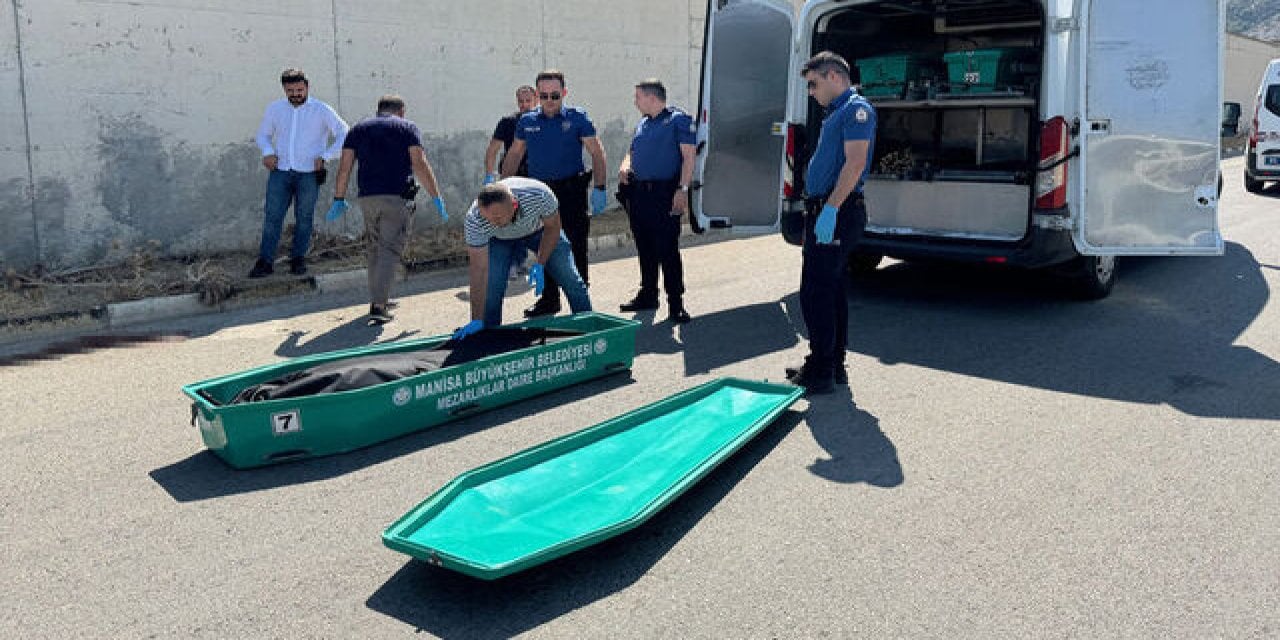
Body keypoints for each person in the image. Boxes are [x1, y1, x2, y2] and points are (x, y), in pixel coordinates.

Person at [787, 51, 876, 395]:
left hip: (837, 212)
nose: (811, 91)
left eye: (814, 83)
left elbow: (854, 164)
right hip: (829, 210)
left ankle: (822, 369)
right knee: (832, 290)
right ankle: (832, 363)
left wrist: (832, 209)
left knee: (816, 292)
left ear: (834, 77)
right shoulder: (837, 112)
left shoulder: (856, 110)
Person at [328, 94, 447, 324]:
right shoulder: (407, 127)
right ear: (401, 111)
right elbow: (419, 163)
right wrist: (436, 196)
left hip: (368, 198)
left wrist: (338, 197)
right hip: (396, 197)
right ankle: (379, 306)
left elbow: (344, 167)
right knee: (389, 250)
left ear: (379, 109)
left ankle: (379, 296)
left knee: (375, 248)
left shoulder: (358, 129)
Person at [500, 69, 609, 318]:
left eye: (555, 95)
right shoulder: (527, 122)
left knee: (575, 246)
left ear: (564, 93)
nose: (550, 100)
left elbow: (597, 152)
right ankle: (549, 300)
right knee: (544, 245)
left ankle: (580, 302)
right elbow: (515, 155)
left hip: (572, 190)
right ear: (538, 95)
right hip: (540, 193)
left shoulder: (578, 118)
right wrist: (504, 188)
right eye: (545, 95)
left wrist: (600, 188)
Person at [452, 178, 593, 339]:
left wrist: (540, 263)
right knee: (492, 288)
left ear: (514, 205)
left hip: (540, 231)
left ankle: (589, 328)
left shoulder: (539, 195)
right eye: (487, 219)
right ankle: (488, 338)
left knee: (570, 278)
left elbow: (553, 228)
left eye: (497, 217)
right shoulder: (475, 218)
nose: (492, 222)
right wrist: (476, 319)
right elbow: (478, 270)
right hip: (499, 240)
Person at [251, 67, 349, 278]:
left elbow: (345, 133)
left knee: (304, 218)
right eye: (290, 90)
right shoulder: (275, 109)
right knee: (272, 217)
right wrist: (268, 152)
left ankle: (298, 260)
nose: (295, 94)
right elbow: (263, 135)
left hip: (309, 174)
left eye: (299, 89)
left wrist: (326, 156)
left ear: (307, 87)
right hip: (280, 171)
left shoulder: (322, 110)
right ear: (284, 89)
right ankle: (265, 262)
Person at [616, 78, 696, 323]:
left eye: (637, 96)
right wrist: (624, 166)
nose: (635, 101)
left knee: (667, 250)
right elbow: (632, 152)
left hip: (664, 193)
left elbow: (689, 157)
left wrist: (682, 189)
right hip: (640, 194)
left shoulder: (678, 120)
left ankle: (676, 303)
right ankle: (648, 294)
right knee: (645, 247)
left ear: (651, 97)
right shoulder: (643, 123)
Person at [483, 85, 536, 185]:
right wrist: (489, 177)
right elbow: (492, 150)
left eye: (528, 101)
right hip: (512, 176)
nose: (524, 104)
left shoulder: (543, 122)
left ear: (536, 100)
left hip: (536, 177)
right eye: (521, 101)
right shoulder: (507, 122)